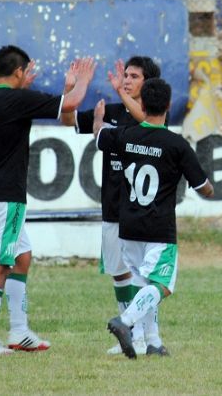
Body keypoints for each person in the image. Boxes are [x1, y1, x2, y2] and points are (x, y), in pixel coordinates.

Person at [0, 45, 96, 355]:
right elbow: (74, 103)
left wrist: (57, 93)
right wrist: (81, 81)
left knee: (22, 257)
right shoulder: (17, 100)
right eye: (27, 72)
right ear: (20, 72)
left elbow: (22, 106)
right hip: (5, 197)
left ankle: (19, 331)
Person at [95, 78, 214, 359]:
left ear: (143, 105)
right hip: (158, 229)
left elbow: (99, 136)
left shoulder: (125, 135)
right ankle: (124, 323)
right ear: (169, 106)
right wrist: (209, 187)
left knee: (141, 282)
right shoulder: (176, 145)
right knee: (162, 285)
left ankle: (153, 341)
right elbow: (204, 188)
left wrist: (99, 119)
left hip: (129, 226)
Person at [60, 56, 161, 356]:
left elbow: (144, 121)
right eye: (125, 75)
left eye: (134, 76)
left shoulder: (154, 115)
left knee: (144, 276)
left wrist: (119, 97)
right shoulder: (112, 112)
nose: (127, 80)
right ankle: (130, 334)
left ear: (149, 83)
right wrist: (72, 88)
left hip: (141, 212)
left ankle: (146, 337)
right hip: (112, 208)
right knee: (119, 273)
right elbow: (69, 120)